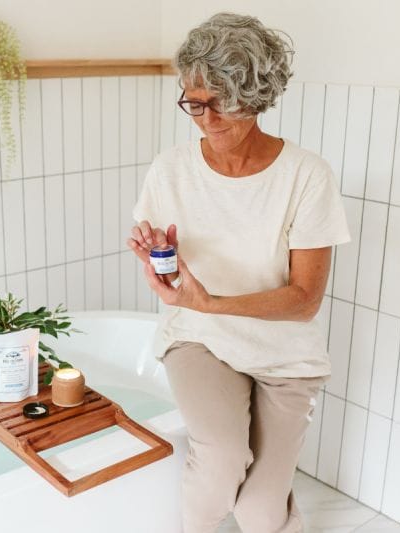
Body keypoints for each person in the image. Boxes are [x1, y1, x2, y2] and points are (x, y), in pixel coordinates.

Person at [127, 12, 351, 533]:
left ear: (255, 94)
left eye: (219, 101)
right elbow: (166, 258)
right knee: (220, 463)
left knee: (258, 510)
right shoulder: (170, 169)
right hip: (201, 339)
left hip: (285, 356)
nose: (206, 118)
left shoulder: (306, 175)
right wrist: (156, 258)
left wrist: (214, 302)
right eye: (193, 103)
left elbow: (304, 300)